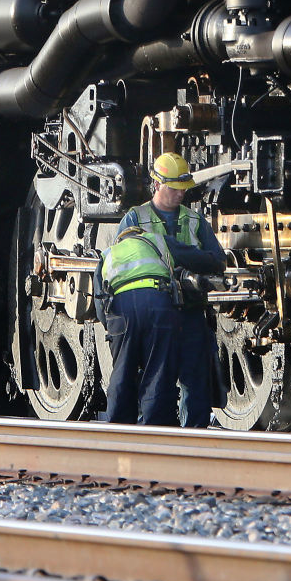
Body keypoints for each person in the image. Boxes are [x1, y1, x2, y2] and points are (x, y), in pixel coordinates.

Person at [116, 152, 228, 428]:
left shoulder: (194, 219)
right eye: (174, 189)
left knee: (196, 384)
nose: (180, 195)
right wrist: (184, 255)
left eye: (183, 190)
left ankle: (194, 446)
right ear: (157, 185)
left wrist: (171, 252)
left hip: (190, 311)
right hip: (155, 315)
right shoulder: (134, 219)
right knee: (157, 384)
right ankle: (159, 446)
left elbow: (218, 260)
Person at [100, 221, 184, 425]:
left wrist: (110, 327)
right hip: (158, 304)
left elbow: (99, 298)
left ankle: (119, 427)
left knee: (122, 370)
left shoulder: (108, 254)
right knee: (158, 368)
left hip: (122, 311)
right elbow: (192, 256)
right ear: (142, 235)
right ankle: (156, 426)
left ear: (120, 239)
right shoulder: (156, 242)